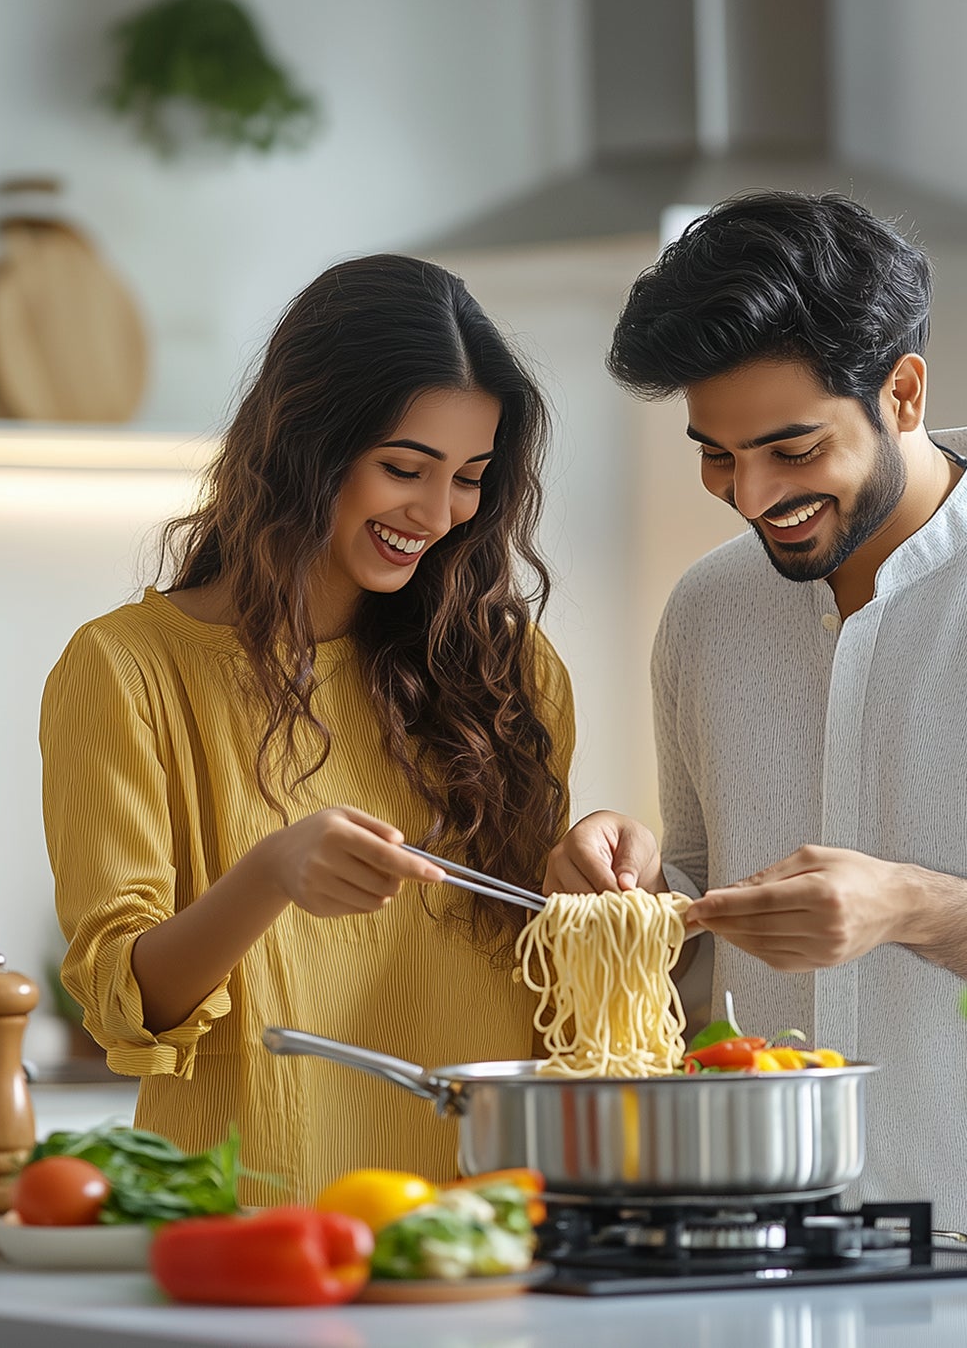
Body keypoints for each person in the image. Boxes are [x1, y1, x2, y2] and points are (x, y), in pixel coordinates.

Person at [547, 191, 967, 1247]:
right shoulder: (706, 610)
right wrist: (633, 891)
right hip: (754, 1240)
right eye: (716, 454)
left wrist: (909, 905)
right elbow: (692, 921)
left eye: (791, 447)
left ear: (901, 391)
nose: (750, 493)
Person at [41, 255, 574, 1204]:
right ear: (306, 445)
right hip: (263, 1214)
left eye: (469, 479)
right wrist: (270, 872)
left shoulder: (509, 672)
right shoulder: (127, 671)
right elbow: (125, 1001)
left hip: (488, 1214)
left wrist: (604, 873)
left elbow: (550, 972)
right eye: (404, 468)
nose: (437, 513)